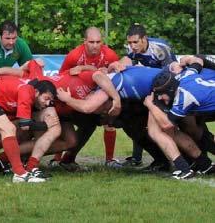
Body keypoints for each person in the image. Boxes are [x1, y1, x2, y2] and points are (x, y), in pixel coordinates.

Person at [113, 23, 177, 167]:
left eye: (135, 42)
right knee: (134, 119)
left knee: (163, 125)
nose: (132, 46)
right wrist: (117, 64)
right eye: (129, 42)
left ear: (144, 39)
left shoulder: (160, 49)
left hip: (166, 89)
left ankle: (181, 159)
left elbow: (171, 76)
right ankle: (138, 158)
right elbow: (127, 60)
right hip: (150, 88)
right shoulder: (133, 49)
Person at [57, 27, 121, 168]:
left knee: (108, 120)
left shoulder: (109, 54)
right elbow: (62, 76)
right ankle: (58, 159)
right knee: (67, 122)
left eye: (98, 42)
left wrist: (87, 68)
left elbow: (114, 77)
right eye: (91, 42)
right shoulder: (74, 55)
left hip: (101, 92)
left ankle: (110, 160)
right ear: (84, 42)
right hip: (79, 93)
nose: (95, 45)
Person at [144, 68, 215, 179]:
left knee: (168, 130)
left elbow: (167, 125)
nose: (160, 97)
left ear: (171, 89)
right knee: (190, 128)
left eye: (162, 94)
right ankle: (204, 164)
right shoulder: (185, 76)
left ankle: (187, 168)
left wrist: (150, 105)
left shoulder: (183, 98)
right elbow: (195, 63)